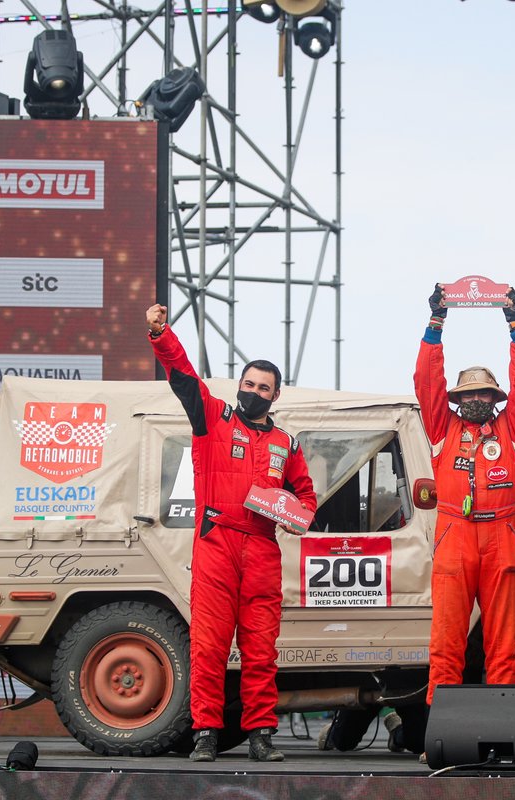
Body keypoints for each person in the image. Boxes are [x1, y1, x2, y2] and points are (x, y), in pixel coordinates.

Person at [146, 303, 318, 763]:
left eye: (264, 387)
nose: (255, 392)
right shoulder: (213, 419)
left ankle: (261, 735)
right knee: (209, 647)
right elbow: (182, 375)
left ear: (276, 395)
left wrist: (295, 514)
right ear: (238, 386)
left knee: (261, 651)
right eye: (249, 384)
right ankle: (205, 734)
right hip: (216, 543)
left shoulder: (287, 443)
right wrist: (161, 334)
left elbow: (306, 496)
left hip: (263, 550)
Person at [414, 284, 515, 716]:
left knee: (503, 644)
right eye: (467, 394)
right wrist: (435, 325)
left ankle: (500, 727)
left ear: (495, 399)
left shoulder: (512, 430)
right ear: (457, 399)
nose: (474, 400)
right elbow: (426, 382)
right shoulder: (441, 429)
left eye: (483, 394)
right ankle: (441, 730)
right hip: (455, 536)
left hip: (502, 534)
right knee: (446, 641)